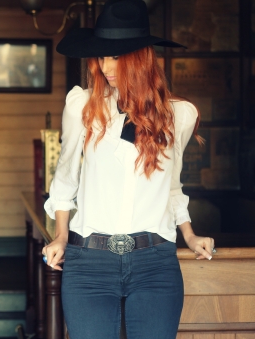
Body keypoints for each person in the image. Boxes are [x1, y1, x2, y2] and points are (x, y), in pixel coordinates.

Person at [42, 0, 216, 338]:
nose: (106, 65)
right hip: (89, 263)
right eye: (102, 55)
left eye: (117, 56)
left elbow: (173, 186)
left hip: (155, 263)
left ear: (141, 58)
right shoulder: (82, 105)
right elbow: (65, 178)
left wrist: (190, 235)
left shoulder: (179, 115)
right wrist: (61, 235)